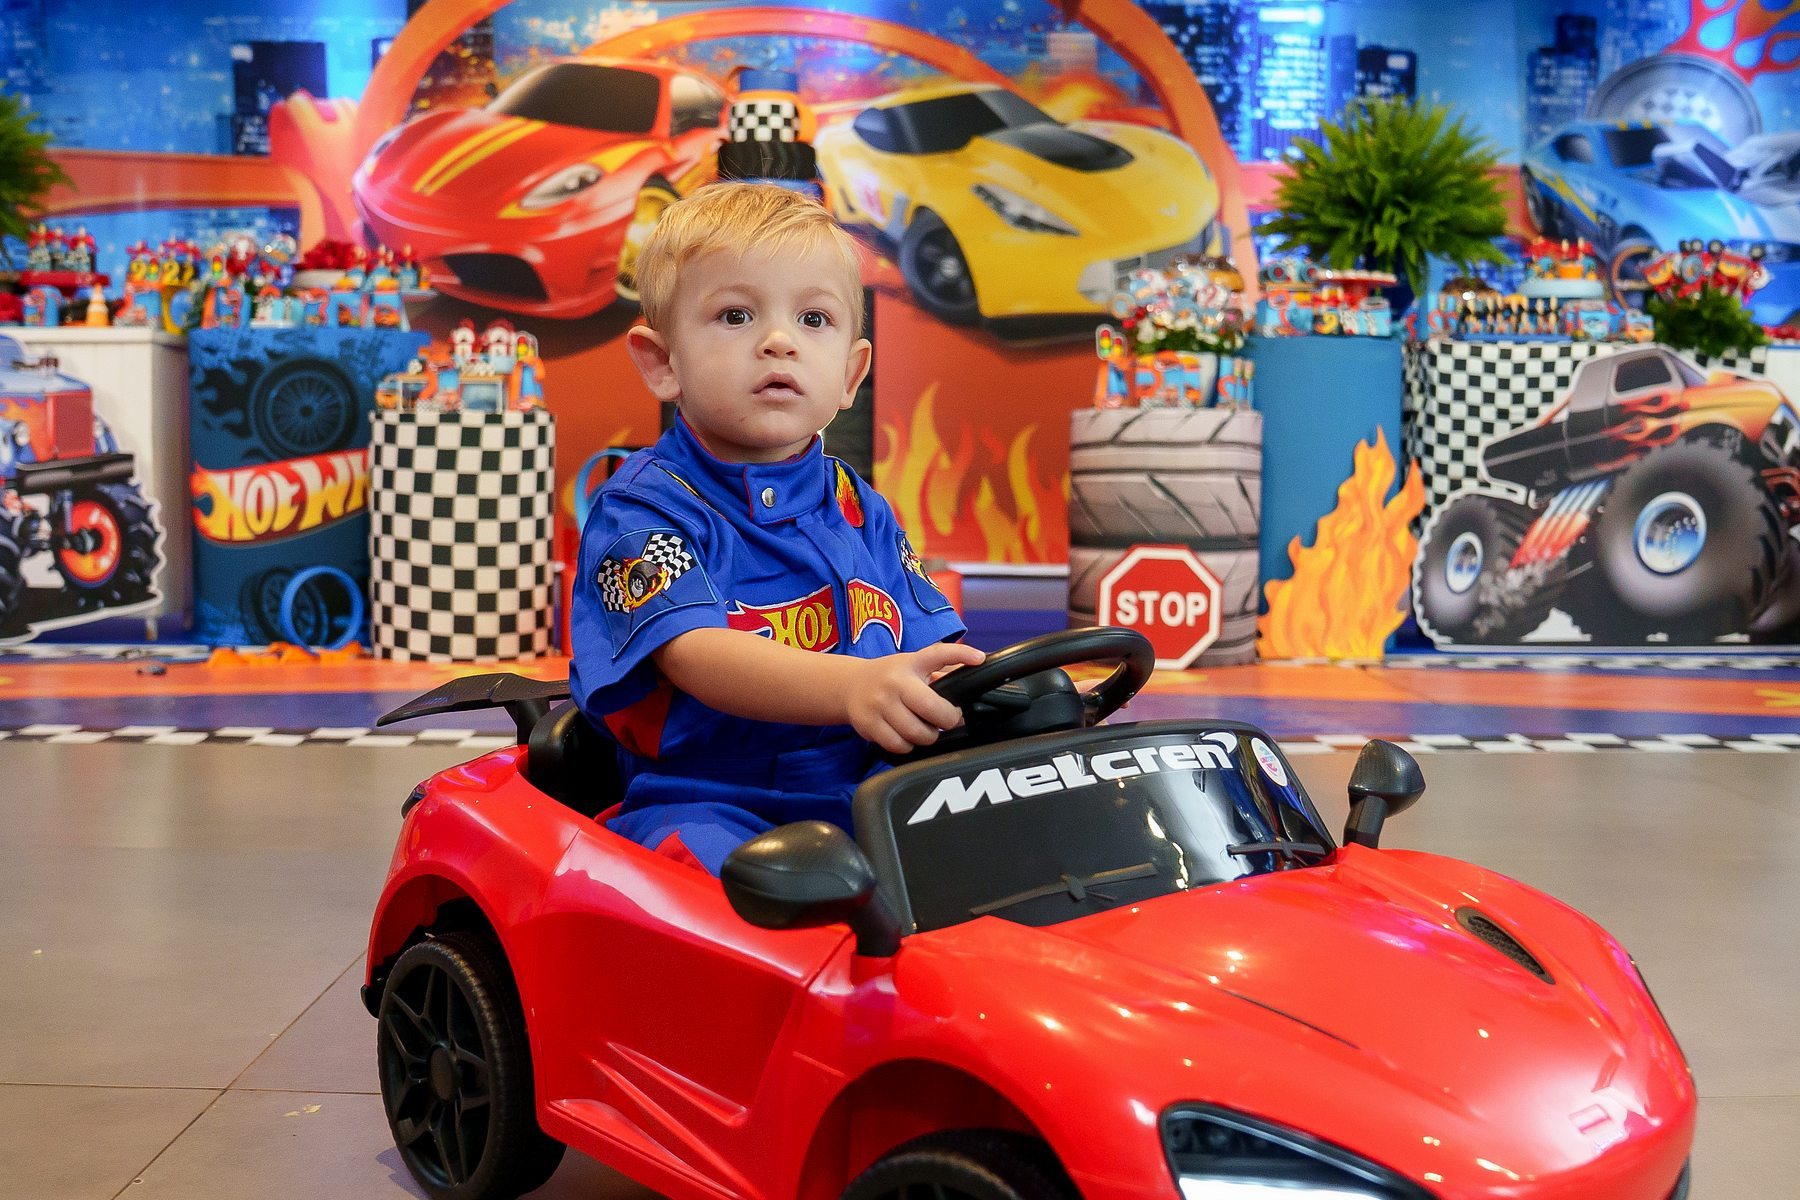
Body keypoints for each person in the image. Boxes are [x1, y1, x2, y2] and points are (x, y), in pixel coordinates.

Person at [570, 183, 983, 875]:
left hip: (870, 794)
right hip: (707, 801)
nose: (779, 342)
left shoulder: (859, 507)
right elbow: (695, 652)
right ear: (663, 362)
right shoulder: (644, 511)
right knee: (742, 886)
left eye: (814, 319)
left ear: (850, 374)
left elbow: (929, 644)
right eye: (736, 315)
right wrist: (852, 688)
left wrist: (993, 694)